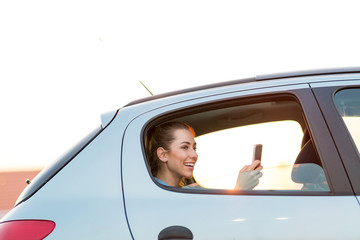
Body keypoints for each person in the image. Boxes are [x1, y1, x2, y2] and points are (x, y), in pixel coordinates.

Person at [145, 121, 263, 190]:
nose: (194, 154)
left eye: (194, 148)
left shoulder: (188, 191)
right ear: (163, 154)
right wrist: (239, 189)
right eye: (185, 147)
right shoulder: (157, 196)